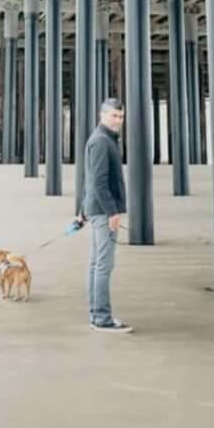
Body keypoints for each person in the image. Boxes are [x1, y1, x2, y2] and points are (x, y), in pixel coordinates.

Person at [76, 96, 133, 332]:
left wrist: (81, 212)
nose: (118, 120)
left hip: (96, 209)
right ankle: (101, 318)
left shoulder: (105, 139)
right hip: (103, 211)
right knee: (103, 265)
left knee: (95, 263)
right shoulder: (101, 141)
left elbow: (87, 180)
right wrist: (112, 212)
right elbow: (98, 182)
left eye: (121, 117)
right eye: (114, 116)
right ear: (102, 116)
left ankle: (95, 314)